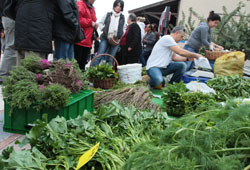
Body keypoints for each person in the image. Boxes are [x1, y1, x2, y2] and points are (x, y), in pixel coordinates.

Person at [146, 26, 204, 90]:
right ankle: (151, 82)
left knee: (182, 65)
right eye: (181, 36)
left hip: (164, 67)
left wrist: (187, 59)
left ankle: (172, 86)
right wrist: (196, 55)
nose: (181, 39)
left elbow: (174, 58)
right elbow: (180, 52)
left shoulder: (172, 42)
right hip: (153, 67)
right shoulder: (167, 38)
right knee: (158, 80)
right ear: (177, 32)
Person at [15, 0, 54, 65]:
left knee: (21, 66)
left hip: (22, 22)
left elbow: (9, 6)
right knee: (36, 67)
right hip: (40, 27)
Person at [92, 0, 125, 66]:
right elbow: (100, 23)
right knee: (100, 55)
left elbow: (124, 28)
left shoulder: (122, 17)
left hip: (116, 40)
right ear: (114, 6)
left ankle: (108, 73)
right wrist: (104, 29)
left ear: (122, 8)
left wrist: (120, 35)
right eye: (117, 5)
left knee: (111, 58)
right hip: (105, 37)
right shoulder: (108, 14)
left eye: (120, 6)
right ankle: (92, 70)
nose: (118, 7)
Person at [75, 0, 97, 70]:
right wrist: (90, 23)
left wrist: (95, 24)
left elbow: (94, 20)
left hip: (88, 40)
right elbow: (78, 19)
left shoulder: (92, 8)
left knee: (83, 63)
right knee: (77, 63)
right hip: (80, 39)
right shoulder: (81, 4)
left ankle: (81, 79)